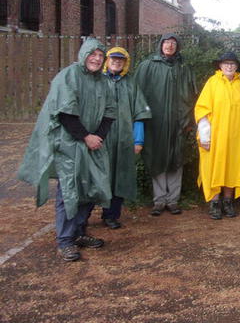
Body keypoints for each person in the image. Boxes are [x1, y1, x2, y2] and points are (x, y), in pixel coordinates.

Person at [18, 38, 116, 262]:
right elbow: (65, 112)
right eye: (93, 54)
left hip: (95, 143)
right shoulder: (69, 76)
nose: (97, 59)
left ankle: (79, 232)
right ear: (84, 55)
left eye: (101, 56)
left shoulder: (104, 82)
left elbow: (110, 112)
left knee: (93, 187)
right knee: (70, 191)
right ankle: (65, 241)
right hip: (70, 144)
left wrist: (97, 136)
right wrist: (85, 136)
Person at [135, 33, 197, 216]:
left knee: (176, 159)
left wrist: (188, 120)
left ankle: (173, 200)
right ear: (160, 45)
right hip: (155, 122)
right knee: (157, 158)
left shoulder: (184, 68)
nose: (169, 46)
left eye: (173, 43)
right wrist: (142, 117)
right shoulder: (147, 66)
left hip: (179, 122)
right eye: (166, 43)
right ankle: (159, 200)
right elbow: (137, 94)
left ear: (177, 46)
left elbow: (192, 95)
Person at [195, 51, 240, 219]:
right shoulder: (212, 83)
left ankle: (228, 202)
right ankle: (214, 203)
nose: (229, 66)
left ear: (237, 67)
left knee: (232, 167)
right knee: (214, 167)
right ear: (220, 66)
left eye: (232, 63)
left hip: (236, 136)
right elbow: (203, 110)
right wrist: (205, 136)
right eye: (226, 63)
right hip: (216, 135)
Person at [100, 47, 152, 229]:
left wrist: (138, 140)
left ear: (125, 63)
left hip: (123, 139)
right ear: (107, 60)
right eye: (113, 59)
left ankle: (111, 215)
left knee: (119, 177)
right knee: (97, 175)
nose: (117, 62)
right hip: (100, 139)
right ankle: (85, 215)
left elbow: (139, 113)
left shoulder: (131, 84)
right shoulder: (97, 81)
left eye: (120, 60)